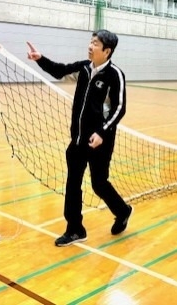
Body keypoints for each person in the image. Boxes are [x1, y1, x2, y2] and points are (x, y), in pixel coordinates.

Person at [26, 30, 132, 246]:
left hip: (100, 142)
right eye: (91, 42)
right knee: (73, 183)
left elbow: (119, 109)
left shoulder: (115, 75)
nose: (90, 46)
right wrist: (40, 59)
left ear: (107, 51)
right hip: (77, 140)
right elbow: (60, 70)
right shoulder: (84, 68)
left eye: (96, 43)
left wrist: (102, 132)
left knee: (99, 184)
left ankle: (122, 211)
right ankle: (75, 229)